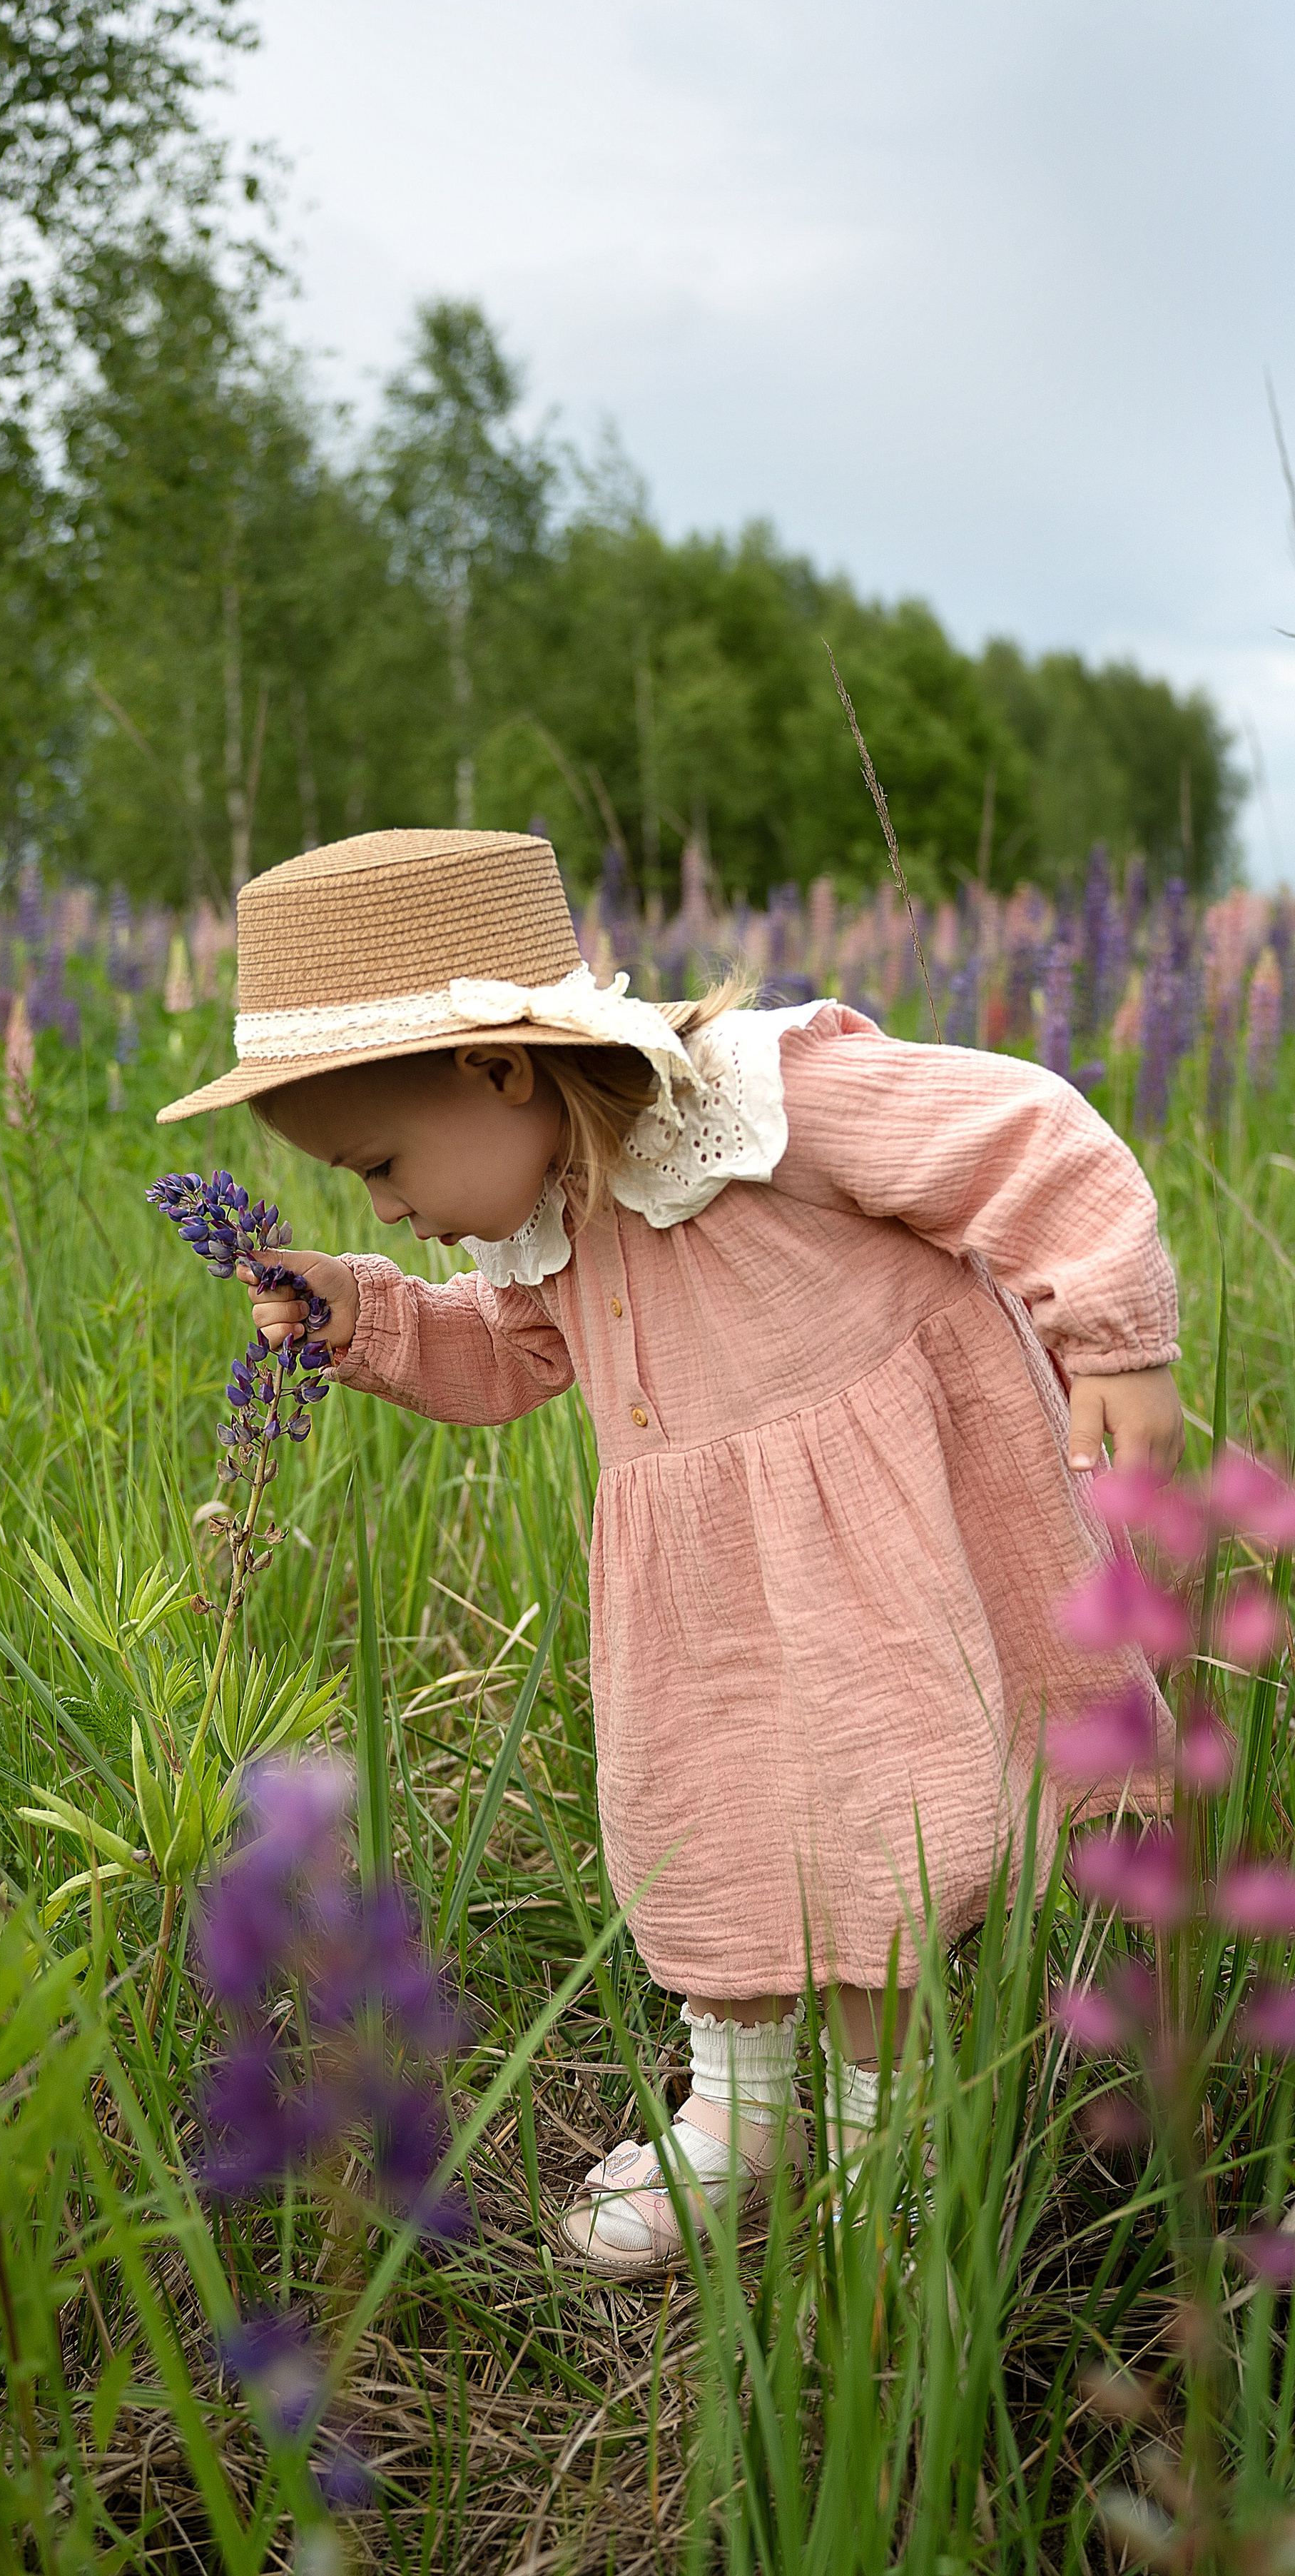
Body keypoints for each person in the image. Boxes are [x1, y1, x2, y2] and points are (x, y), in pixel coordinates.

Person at [157, 829, 1183, 2275]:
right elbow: (503, 1356)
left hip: (877, 1564)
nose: (386, 1206)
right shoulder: (542, 1218)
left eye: (380, 1166)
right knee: (697, 1821)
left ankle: (891, 2137)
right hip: (697, 1590)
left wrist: (1115, 1337)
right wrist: (360, 1312)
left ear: (500, 1070)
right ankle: (740, 2113)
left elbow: (1028, 1136)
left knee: (868, 1851)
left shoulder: (767, 1102)